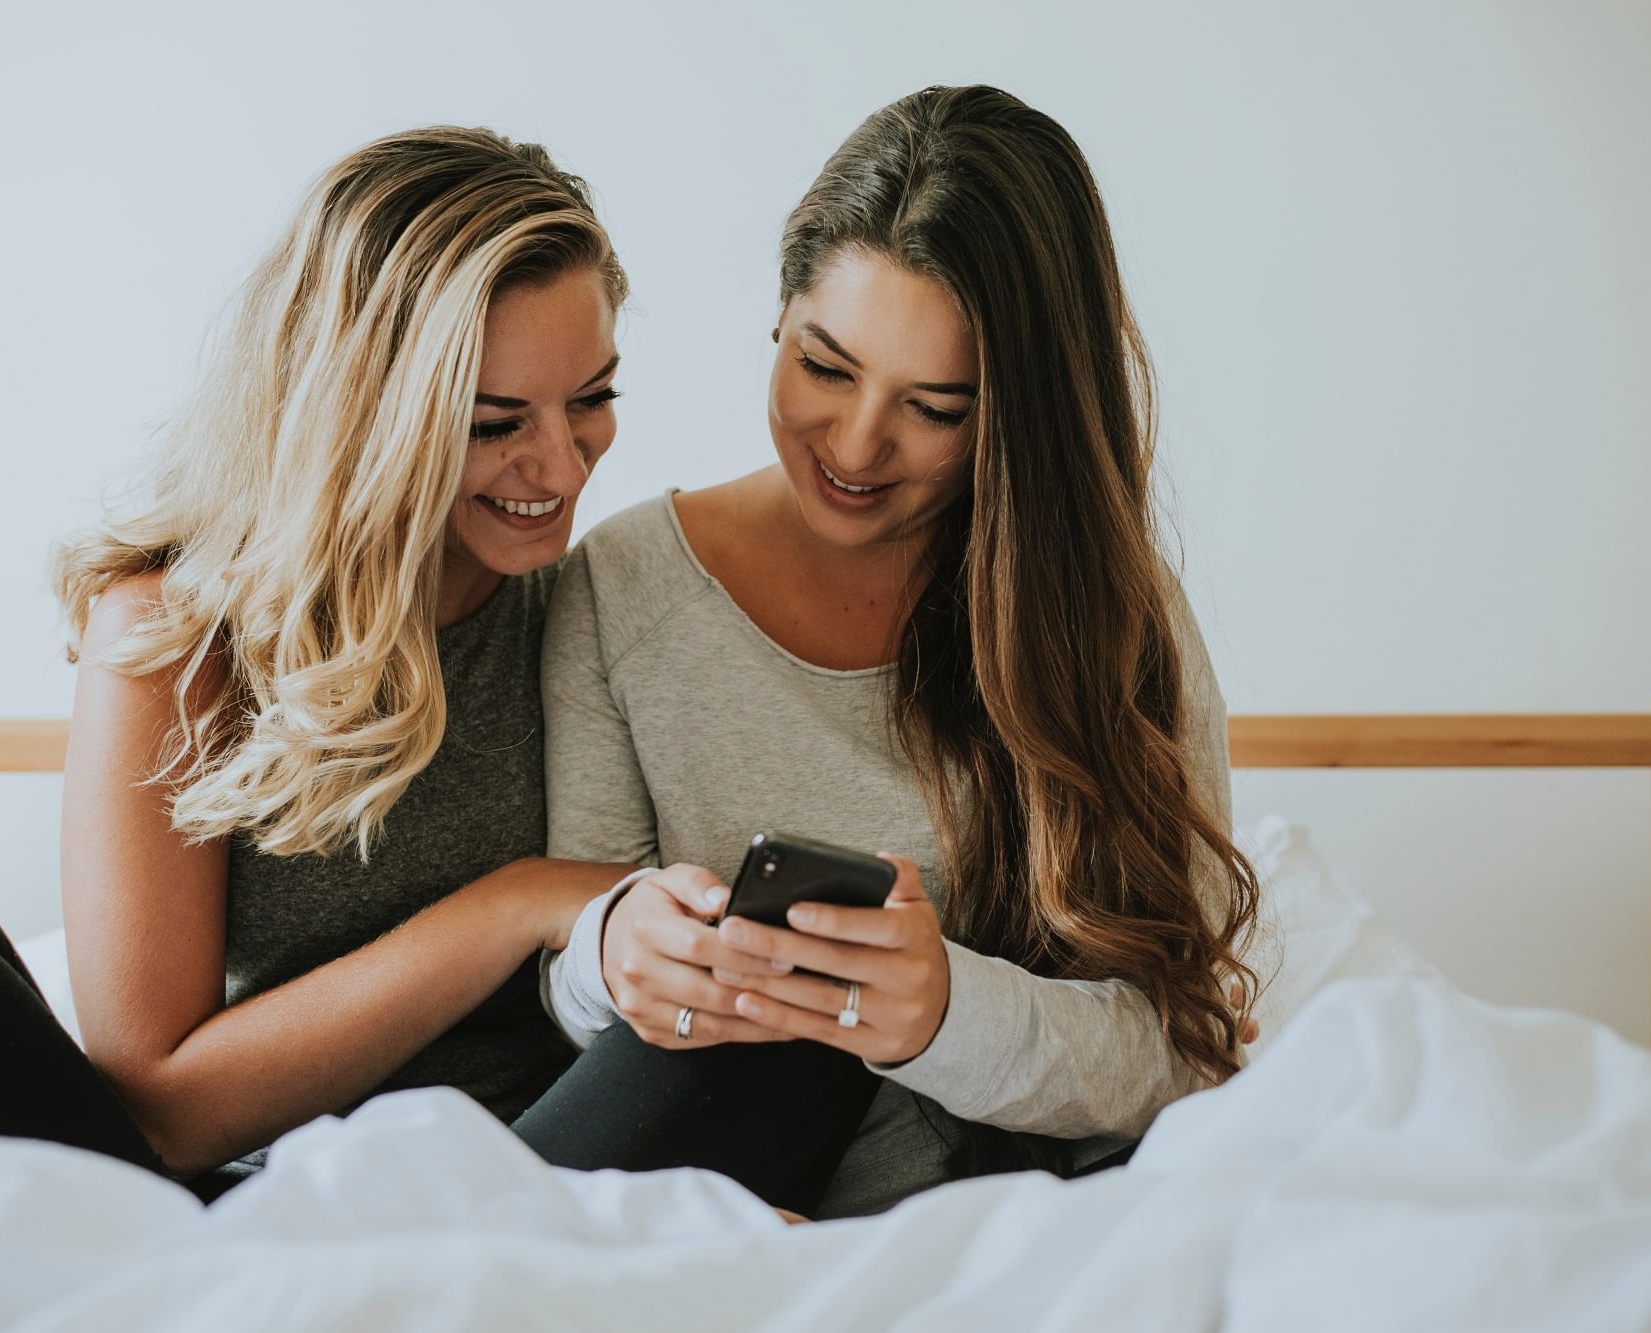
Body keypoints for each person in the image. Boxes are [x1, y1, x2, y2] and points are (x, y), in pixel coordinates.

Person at [0, 125, 873, 1215]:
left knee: (796, 999)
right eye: (494, 423)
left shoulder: (598, 603)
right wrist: (515, 902)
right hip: (257, 1189)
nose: (560, 464)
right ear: (364, 416)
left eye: (592, 398)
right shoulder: (173, 640)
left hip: (551, 1161)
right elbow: (161, 1109)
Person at [540, 85, 1262, 1218]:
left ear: (1016, 416)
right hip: (702, 1191)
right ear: (777, 317)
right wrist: (610, 947)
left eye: (935, 407)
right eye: (825, 368)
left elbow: (1183, 1044)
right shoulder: (621, 586)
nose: (857, 444)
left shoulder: (1114, 620)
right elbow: (568, 997)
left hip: (989, 1224)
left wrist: (937, 1012)